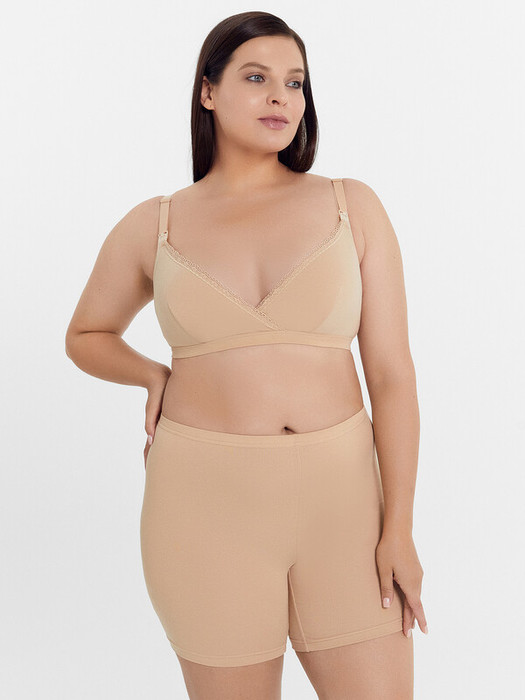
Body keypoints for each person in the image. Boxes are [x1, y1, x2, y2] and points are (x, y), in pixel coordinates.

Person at [65, 10, 427, 700]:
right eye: (256, 78)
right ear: (208, 91)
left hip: (344, 510)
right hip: (203, 509)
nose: (280, 97)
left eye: (295, 82)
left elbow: (391, 375)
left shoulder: (351, 206)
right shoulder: (156, 223)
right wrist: (152, 374)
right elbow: (86, 334)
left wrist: (399, 528)